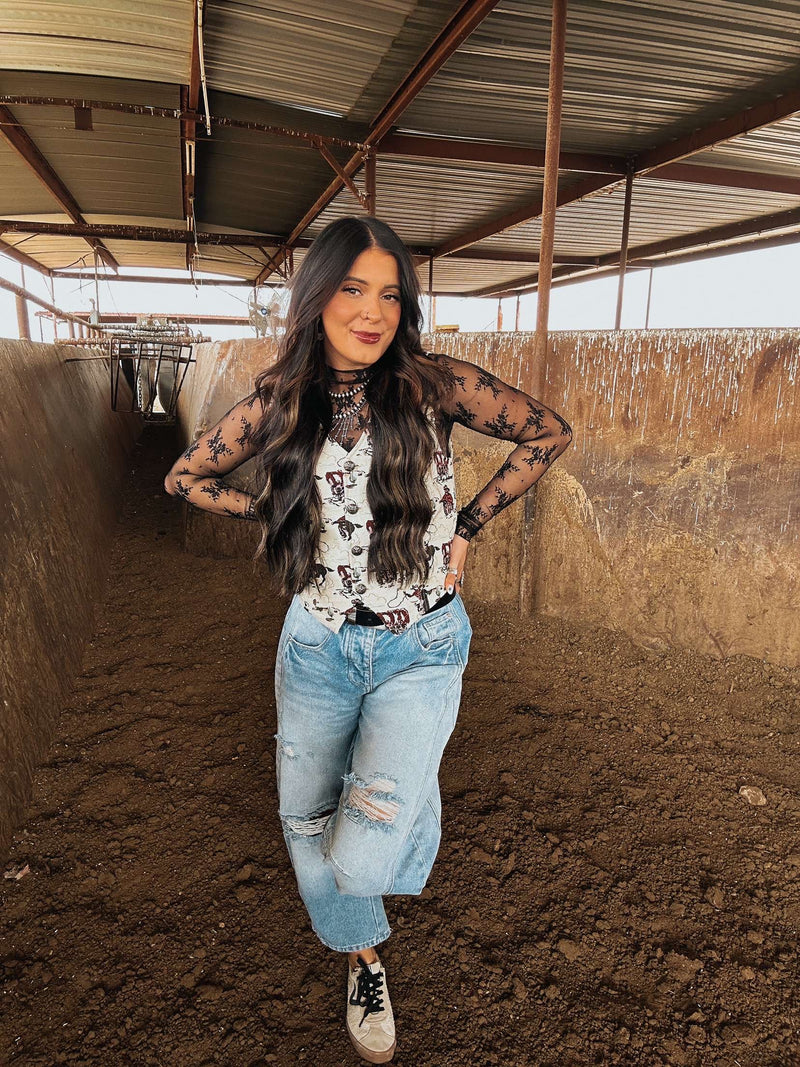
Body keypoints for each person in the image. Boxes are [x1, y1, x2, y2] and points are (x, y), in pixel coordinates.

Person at [165, 216, 572, 1063]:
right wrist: (272, 513)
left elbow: (548, 432)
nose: (372, 311)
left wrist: (469, 524)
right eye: (352, 288)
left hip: (421, 644)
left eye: (390, 293)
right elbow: (185, 477)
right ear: (317, 296)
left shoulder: (436, 385)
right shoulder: (281, 402)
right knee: (305, 822)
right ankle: (364, 958)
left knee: (360, 852)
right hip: (317, 646)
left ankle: (405, 796)